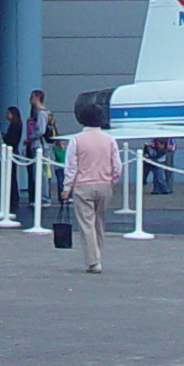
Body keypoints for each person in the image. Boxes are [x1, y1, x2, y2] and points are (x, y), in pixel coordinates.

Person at [61, 92, 121, 274]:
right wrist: (112, 180)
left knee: (86, 223)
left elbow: (71, 166)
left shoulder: (76, 140)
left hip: (83, 186)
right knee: (99, 223)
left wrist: (66, 188)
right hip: (104, 184)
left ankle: (93, 261)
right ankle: (98, 255)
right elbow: (117, 165)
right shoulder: (110, 140)